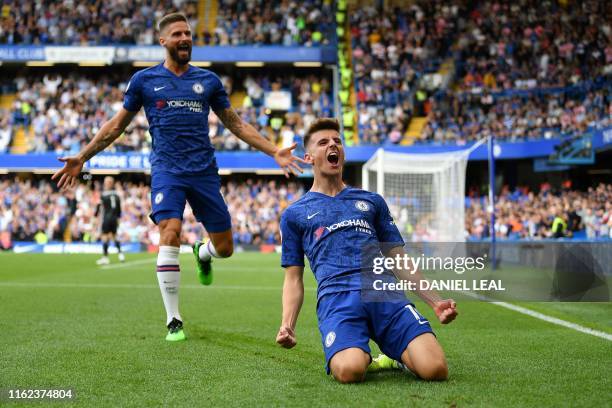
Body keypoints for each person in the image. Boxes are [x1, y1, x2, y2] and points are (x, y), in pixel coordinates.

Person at [52, 12, 304, 342]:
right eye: (177, 34)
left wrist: (274, 151)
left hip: (203, 172)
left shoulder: (209, 81)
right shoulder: (144, 81)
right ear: (163, 41)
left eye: (188, 33)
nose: (185, 38)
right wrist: (82, 157)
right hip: (167, 171)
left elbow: (236, 123)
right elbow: (116, 126)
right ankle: (174, 319)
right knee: (169, 231)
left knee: (225, 248)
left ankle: (203, 253)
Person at [277, 118, 457, 383]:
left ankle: (397, 355)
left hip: (385, 293)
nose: (332, 145)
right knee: (350, 370)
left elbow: (398, 258)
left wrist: (435, 301)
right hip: (337, 299)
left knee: (435, 369)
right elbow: (293, 278)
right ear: (309, 157)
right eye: (323, 142)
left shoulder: (371, 201)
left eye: (337, 141)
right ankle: (366, 356)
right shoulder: (294, 214)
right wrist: (287, 324)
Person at [95, 176, 125, 265]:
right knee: (114, 236)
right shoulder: (117, 195)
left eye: (105, 182)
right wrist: (118, 219)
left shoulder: (103, 195)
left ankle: (105, 257)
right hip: (115, 218)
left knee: (105, 237)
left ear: (108, 183)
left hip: (107, 218)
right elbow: (119, 209)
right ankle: (120, 254)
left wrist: (95, 216)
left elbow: (98, 206)